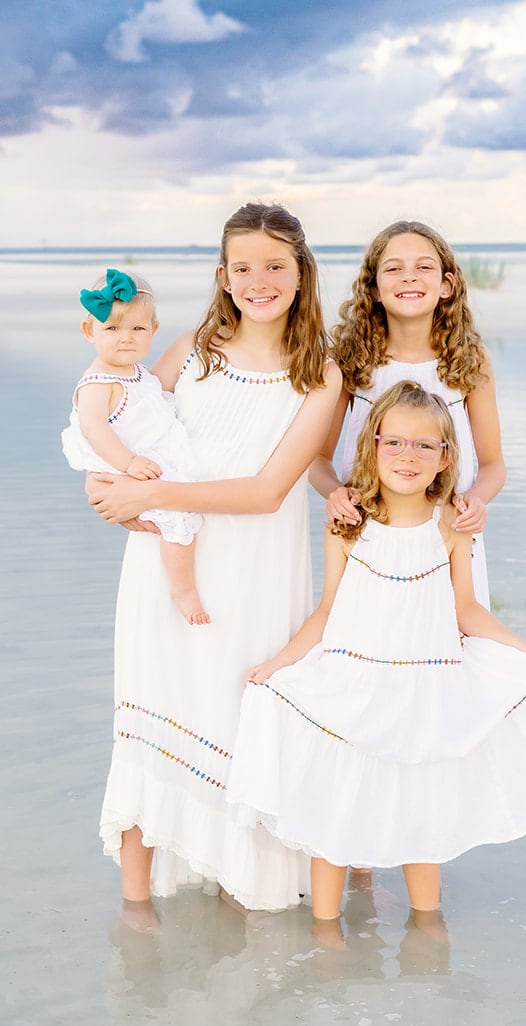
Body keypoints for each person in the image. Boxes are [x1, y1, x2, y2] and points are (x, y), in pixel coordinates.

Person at [229, 381, 526, 922]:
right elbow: (327, 612)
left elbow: (465, 610)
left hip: (425, 692)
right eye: (393, 442)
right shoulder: (348, 521)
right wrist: (279, 665)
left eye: (425, 446)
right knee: (337, 813)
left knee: (424, 817)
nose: (408, 456)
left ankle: (428, 939)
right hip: (351, 687)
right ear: (371, 446)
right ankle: (327, 940)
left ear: (445, 458)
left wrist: (525, 647)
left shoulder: (451, 524)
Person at [88, 202, 343, 913]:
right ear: (222, 275)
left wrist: (158, 490)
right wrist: (103, 479)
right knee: (149, 714)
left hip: (256, 570)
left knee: (241, 727)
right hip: (168, 566)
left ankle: (242, 904)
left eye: (275, 265)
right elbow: (123, 421)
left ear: (301, 272)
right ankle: (135, 919)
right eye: (243, 266)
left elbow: (269, 491)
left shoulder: (320, 373)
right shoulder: (193, 347)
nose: (259, 280)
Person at [309, 220, 505, 607]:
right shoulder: (351, 360)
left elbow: (494, 465)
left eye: (424, 267)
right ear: (374, 287)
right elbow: (317, 459)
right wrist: (337, 494)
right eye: (394, 268)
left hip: (449, 533)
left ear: (446, 285)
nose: (409, 277)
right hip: (369, 530)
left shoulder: (469, 360)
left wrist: (474, 502)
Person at [62, 268, 208, 625]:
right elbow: (95, 430)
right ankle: (183, 589)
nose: (125, 338)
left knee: (184, 502)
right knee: (178, 518)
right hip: (126, 462)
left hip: (147, 456)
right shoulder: (97, 383)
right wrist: (128, 464)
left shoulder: (139, 373)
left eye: (137, 329)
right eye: (111, 329)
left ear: (153, 331)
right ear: (89, 331)